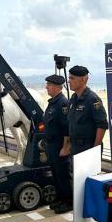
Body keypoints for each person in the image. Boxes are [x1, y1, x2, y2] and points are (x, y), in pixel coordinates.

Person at [43, 74, 72, 214]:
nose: (46, 87)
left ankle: (68, 202)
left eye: (49, 85)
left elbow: (67, 128)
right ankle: (61, 198)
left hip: (60, 145)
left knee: (63, 175)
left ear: (56, 86)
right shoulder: (53, 102)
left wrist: (66, 147)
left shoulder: (62, 103)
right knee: (55, 174)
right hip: (51, 145)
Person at [66, 65, 108, 155]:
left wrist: (95, 149)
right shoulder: (73, 99)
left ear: (82, 80)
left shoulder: (92, 99)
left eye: (72, 78)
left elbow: (102, 125)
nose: (69, 81)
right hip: (74, 147)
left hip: (87, 147)